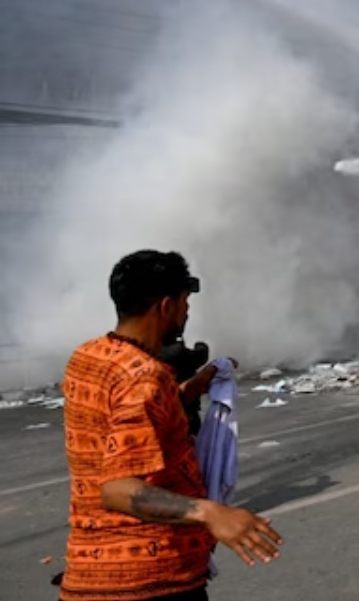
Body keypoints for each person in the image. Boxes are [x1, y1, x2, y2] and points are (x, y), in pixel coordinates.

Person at [60, 250, 282, 601]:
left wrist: (192, 388)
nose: (187, 310)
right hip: (148, 583)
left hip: (89, 574)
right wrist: (210, 512)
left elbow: (132, 419)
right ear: (165, 307)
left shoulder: (89, 356)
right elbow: (118, 489)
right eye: (184, 301)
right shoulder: (144, 378)